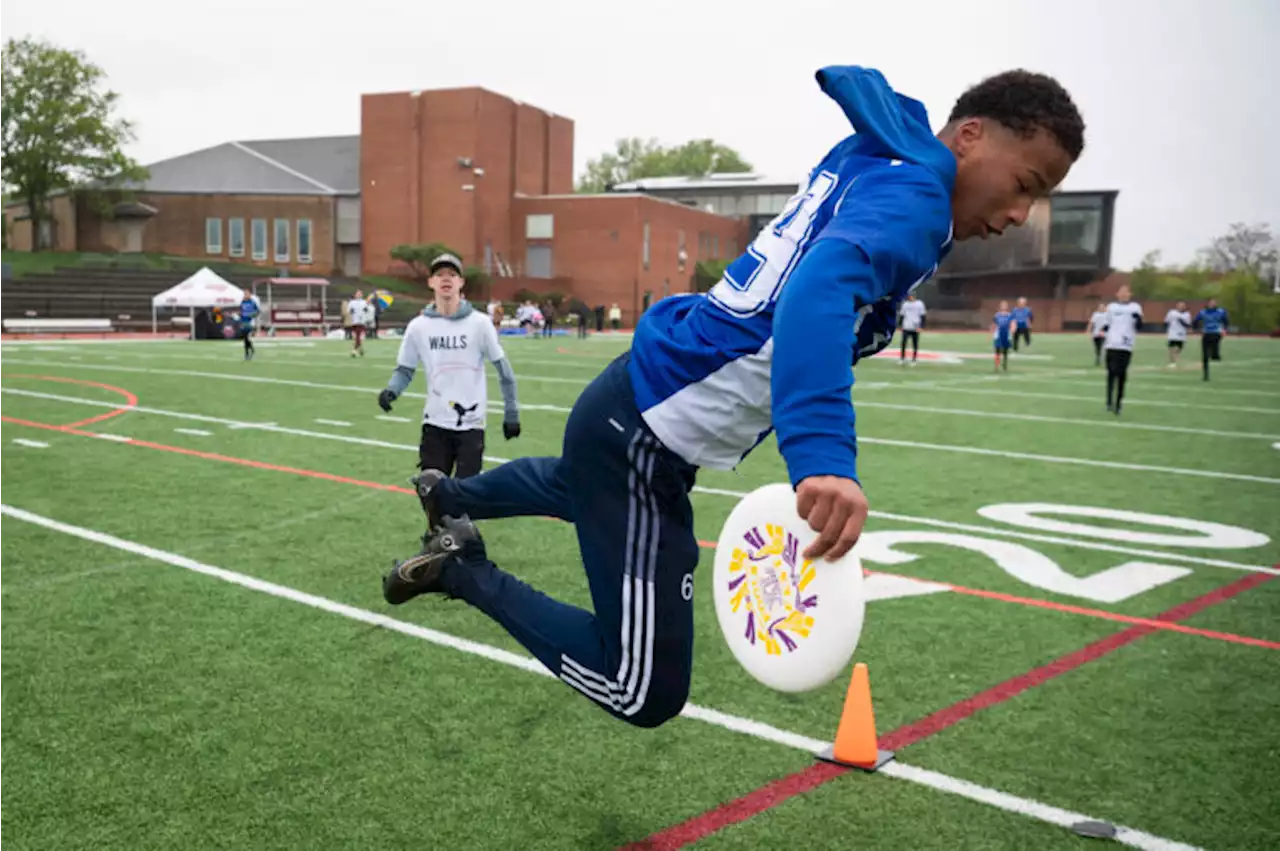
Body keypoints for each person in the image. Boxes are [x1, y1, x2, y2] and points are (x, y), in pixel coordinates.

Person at [380, 65, 1084, 729]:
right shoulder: (919, 200)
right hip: (646, 433)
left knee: (577, 482)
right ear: (969, 136)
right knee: (641, 686)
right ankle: (460, 570)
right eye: (1026, 182)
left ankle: (449, 494)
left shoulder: (883, 155)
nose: (1023, 211)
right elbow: (819, 288)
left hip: (637, 398)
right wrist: (822, 454)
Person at [377, 253, 522, 479]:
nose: (446, 279)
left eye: (452, 275)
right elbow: (405, 369)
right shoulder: (418, 327)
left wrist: (511, 412)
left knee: (464, 497)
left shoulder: (480, 323)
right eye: (440, 274)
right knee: (431, 492)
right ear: (431, 282)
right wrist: (391, 390)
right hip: (435, 422)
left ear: (461, 283)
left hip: (471, 426)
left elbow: (504, 371)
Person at [1102, 283, 1143, 415]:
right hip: (1112, 344)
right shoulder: (1111, 307)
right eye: (1121, 291)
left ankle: (1118, 403)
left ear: (1130, 294)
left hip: (1126, 346)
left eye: (1126, 292)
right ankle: (1109, 401)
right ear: (1117, 294)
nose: (1124, 294)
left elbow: (1140, 326)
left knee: (1121, 375)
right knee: (1111, 373)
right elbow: (1107, 324)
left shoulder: (1135, 307)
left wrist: (1138, 319)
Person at [1194, 298, 1228, 381]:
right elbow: (1195, 321)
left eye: (1214, 303)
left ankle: (1215, 354)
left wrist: (1224, 329)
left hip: (1216, 333)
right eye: (1210, 303)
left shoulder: (1221, 311)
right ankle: (1206, 375)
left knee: (1214, 355)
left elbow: (1226, 321)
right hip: (1206, 333)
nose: (1212, 304)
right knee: (1205, 356)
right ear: (1208, 304)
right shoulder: (1203, 312)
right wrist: (1196, 329)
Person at [898, 293, 926, 365]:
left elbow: (923, 316)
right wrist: (900, 325)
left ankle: (914, 359)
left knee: (915, 344)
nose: (910, 297)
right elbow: (902, 315)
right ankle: (902, 358)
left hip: (915, 327)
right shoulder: (905, 304)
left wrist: (921, 326)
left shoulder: (919, 304)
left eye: (911, 296)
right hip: (906, 326)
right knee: (903, 343)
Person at [1164, 300, 1192, 368]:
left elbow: (1187, 324)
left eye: (1182, 306)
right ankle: (1172, 362)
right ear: (1177, 306)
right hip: (1172, 333)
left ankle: (1175, 360)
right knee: (1171, 348)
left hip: (1181, 334)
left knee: (1178, 349)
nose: (1181, 307)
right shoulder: (1171, 313)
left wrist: (1180, 320)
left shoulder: (1187, 315)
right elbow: (1166, 321)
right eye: (1179, 305)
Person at [991, 300, 1014, 372]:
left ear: (1007, 307)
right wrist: (992, 331)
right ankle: (996, 365)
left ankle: (1005, 365)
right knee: (997, 350)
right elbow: (994, 324)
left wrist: (1012, 330)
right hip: (998, 334)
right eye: (1002, 305)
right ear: (1000, 307)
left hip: (1006, 334)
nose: (1004, 307)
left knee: (1005, 351)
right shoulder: (997, 315)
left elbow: (1012, 323)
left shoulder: (1010, 315)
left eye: (1005, 305)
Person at [238, 291, 261, 361]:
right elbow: (241, 311)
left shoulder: (252, 302)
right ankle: (250, 350)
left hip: (250, 322)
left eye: (247, 294)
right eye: (245, 294)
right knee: (245, 338)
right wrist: (240, 315)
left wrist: (252, 315)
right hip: (243, 321)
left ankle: (247, 353)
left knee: (247, 337)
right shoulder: (242, 302)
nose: (245, 295)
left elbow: (258, 311)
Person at [347, 290, 370, 357]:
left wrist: (366, 307)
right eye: (357, 294)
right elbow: (348, 310)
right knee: (356, 336)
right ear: (355, 295)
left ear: (362, 295)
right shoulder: (352, 302)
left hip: (362, 321)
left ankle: (354, 350)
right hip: (354, 320)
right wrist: (351, 311)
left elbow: (367, 310)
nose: (358, 295)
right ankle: (360, 349)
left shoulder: (364, 302)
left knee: (358, 335)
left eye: (360, 294)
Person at [1087, 301, 1108, 366]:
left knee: (1104, 346)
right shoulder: (1095, 314)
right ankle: (1098, 358)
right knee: (1097, 346)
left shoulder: (1107, 314)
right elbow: (1091, 323)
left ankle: (1104, 359)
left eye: (1102, 307)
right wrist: (1089, 330)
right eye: (1100, 307)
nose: (1101, 308)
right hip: (1096, 333)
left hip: (1104, 333)